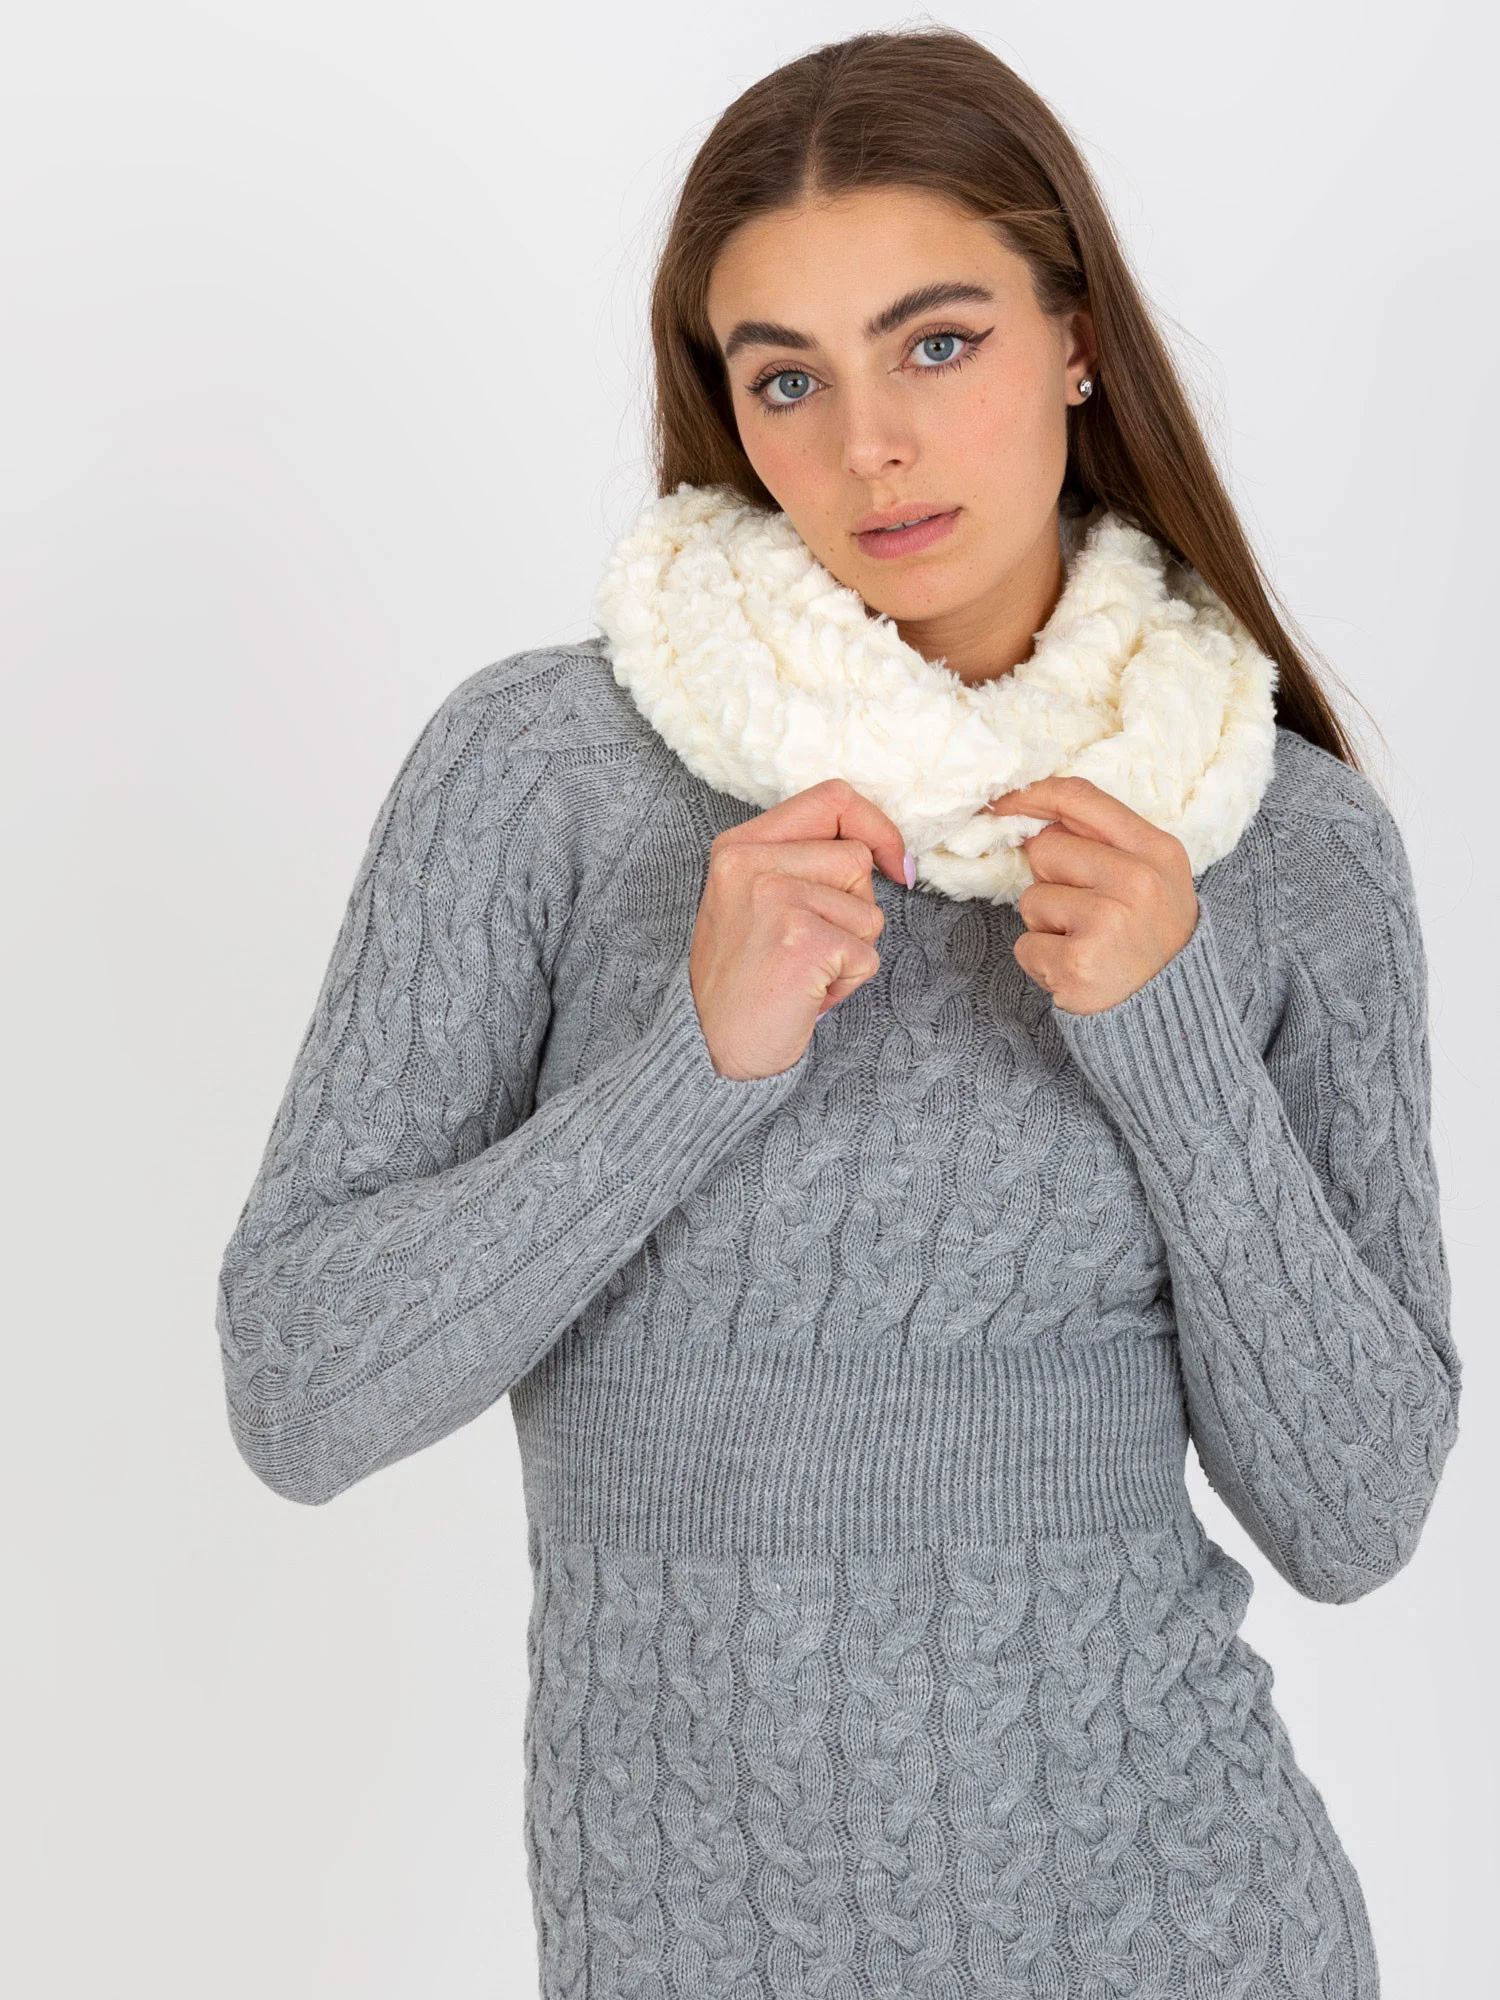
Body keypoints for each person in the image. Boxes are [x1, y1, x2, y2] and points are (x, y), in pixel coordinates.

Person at [215, 26, 1461, 1996]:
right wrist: (689, 1072)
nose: (869, 443)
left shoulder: (1276, 842)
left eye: (938, 344)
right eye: (787, 376)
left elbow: (1358, 1513)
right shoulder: (545, 775)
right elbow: (298, 1391)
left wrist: (1173, 1047)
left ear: (1077, 340)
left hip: (1189, 1929)